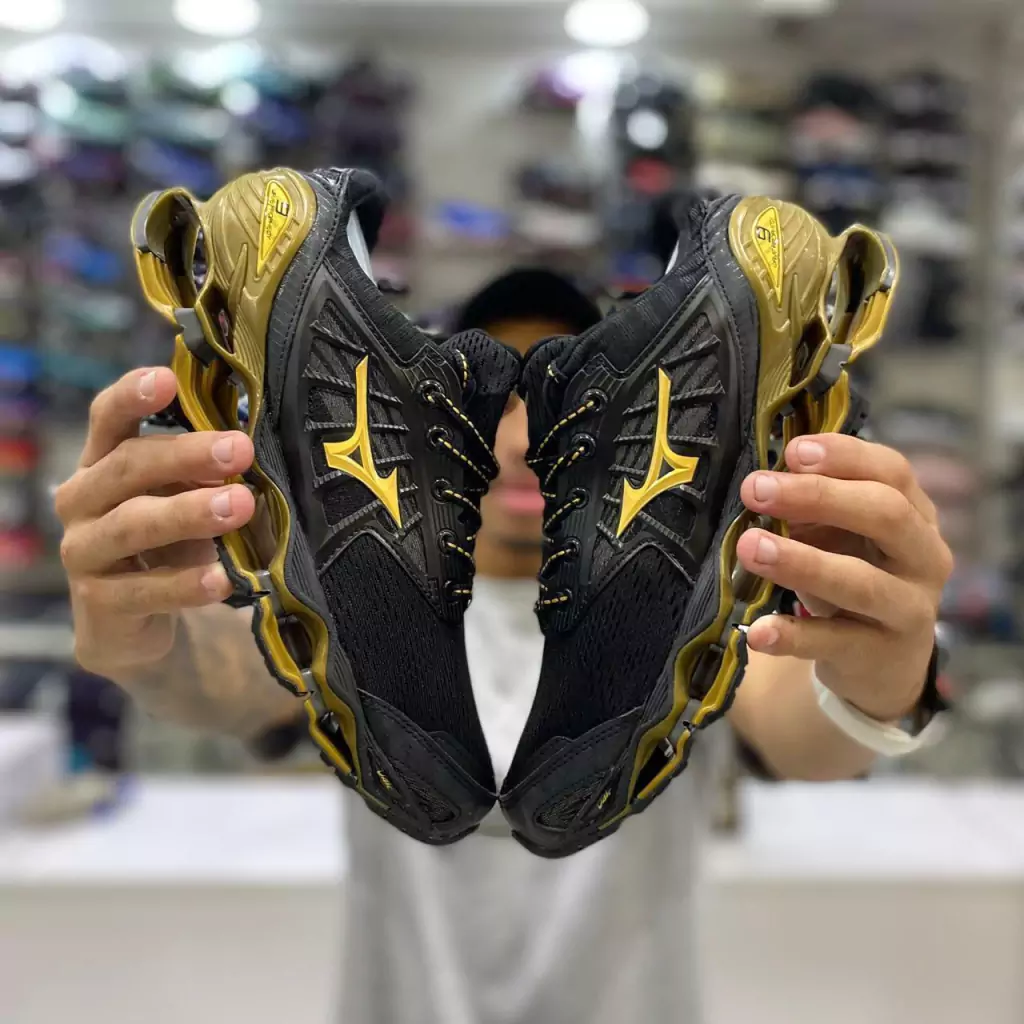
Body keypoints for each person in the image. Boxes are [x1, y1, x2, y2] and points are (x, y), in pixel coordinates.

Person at [56, 266, 953, 1022]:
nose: (527, 438)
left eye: (571, 400)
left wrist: (884, 672)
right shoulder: (357, 600)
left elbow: (804, 731)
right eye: (499, 400)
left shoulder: (685, 600)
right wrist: (144, 638)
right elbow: (227, 678)